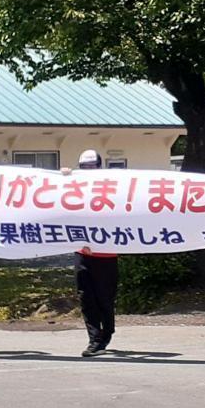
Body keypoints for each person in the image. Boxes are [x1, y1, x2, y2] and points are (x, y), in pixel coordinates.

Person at [62, 149, 118, 357]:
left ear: (99, 166)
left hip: (106, 254)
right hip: (82, 252)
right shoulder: (75, 186)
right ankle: (94, 339)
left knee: (105, 298)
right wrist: (64, 177)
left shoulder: (111, 187)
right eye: (83, 166)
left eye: (91, 166)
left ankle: (107, 331)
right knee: (86, 297)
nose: (87, 170)